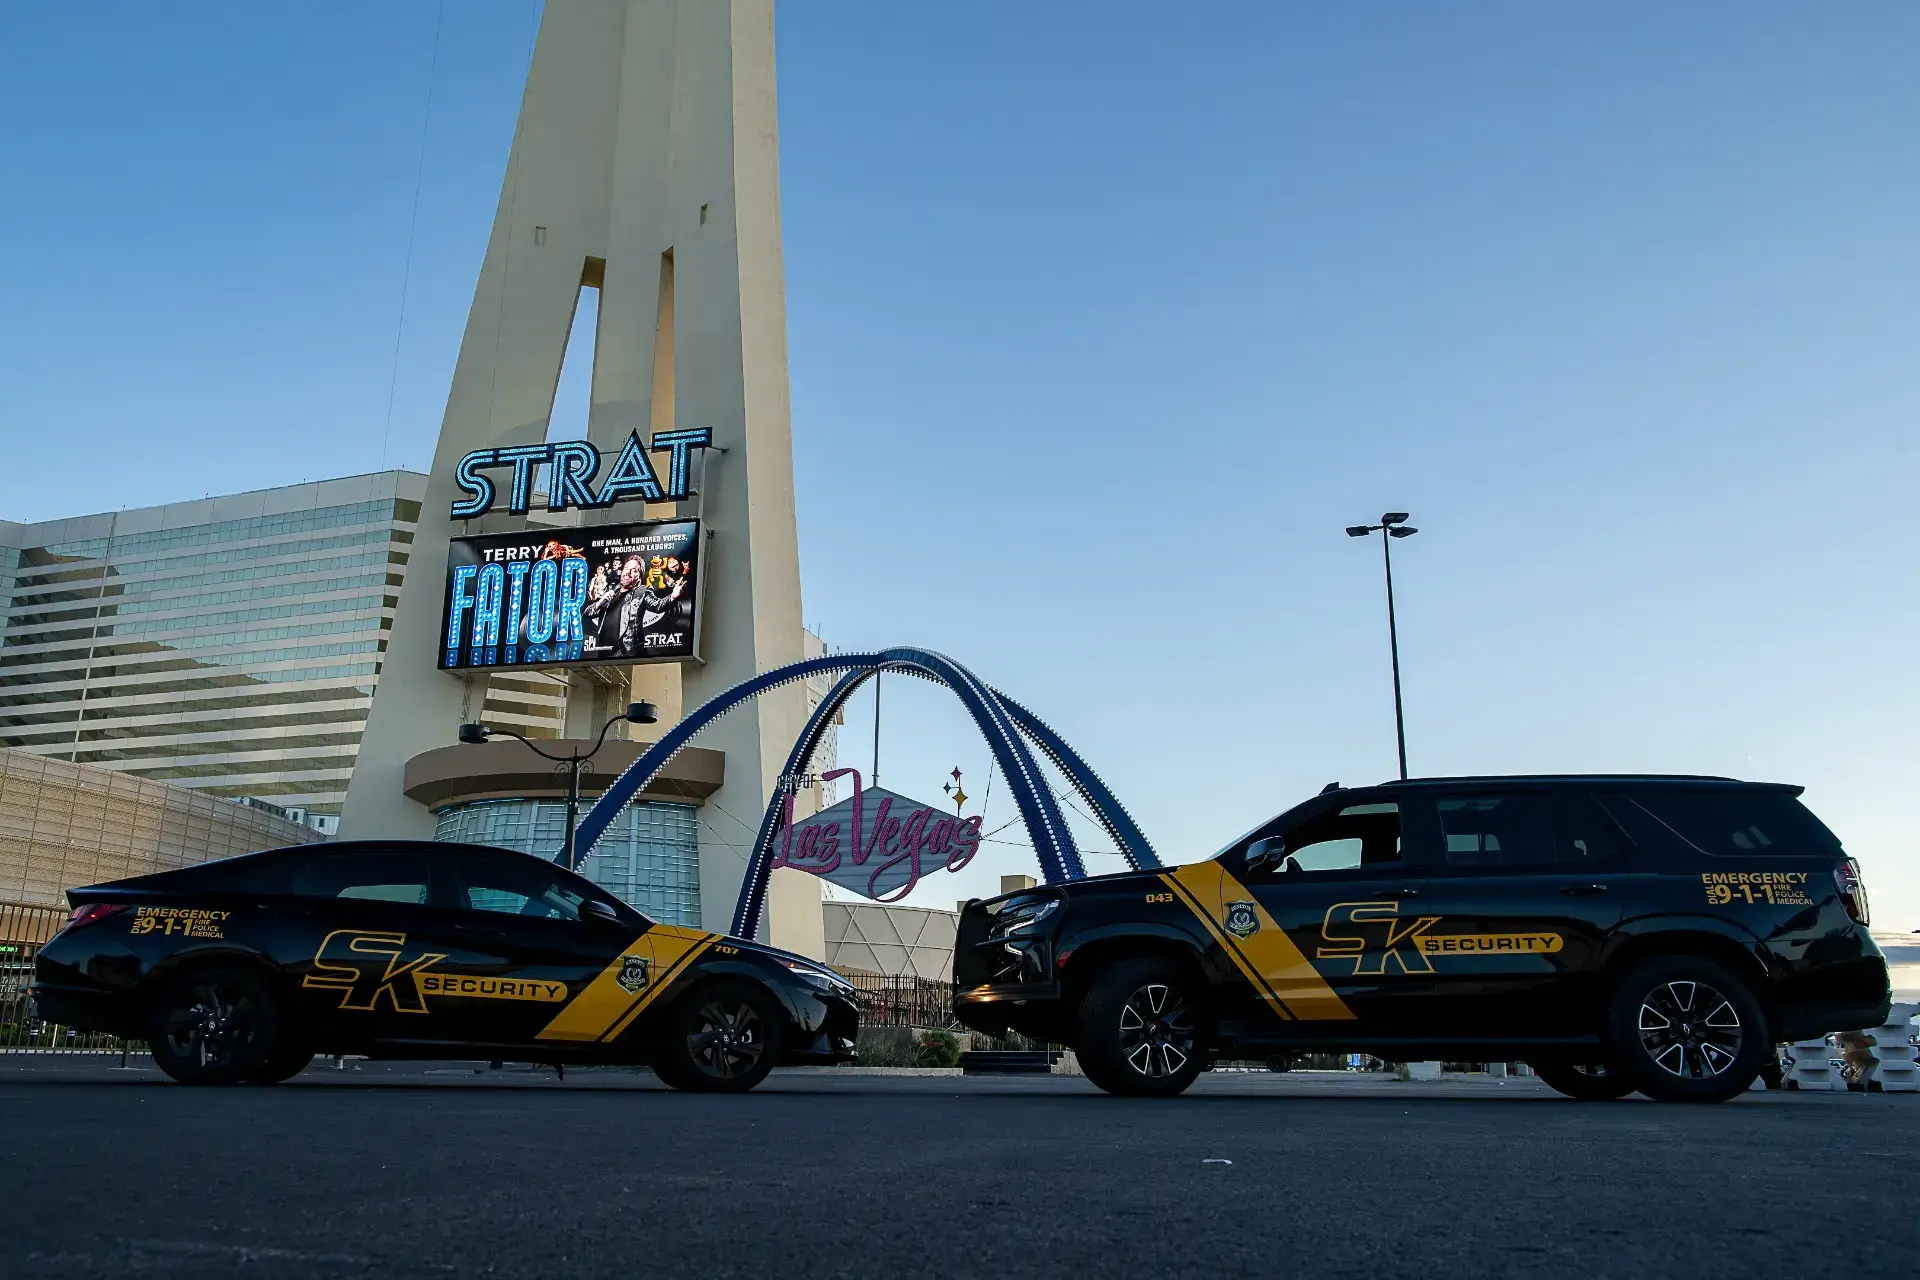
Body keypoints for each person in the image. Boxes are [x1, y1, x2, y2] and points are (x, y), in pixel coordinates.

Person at [583, 554, 685, 658]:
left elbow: (658, 605)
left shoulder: (642, 591)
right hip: (604, 654)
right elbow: (586, 614)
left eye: (634, 570)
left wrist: (673, 596)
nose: (628, 572)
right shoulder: (611, 592)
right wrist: (601, 601)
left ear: (639, 577)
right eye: (626, 568)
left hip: (628, 653)